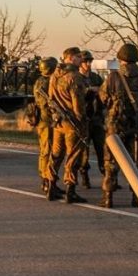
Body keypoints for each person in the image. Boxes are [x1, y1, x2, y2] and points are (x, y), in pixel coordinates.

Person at [98, 43, 138, 208]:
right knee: (137, 161)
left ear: (121, 58)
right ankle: (137, 197)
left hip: (115, 124)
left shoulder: (113, 77)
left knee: (111, 160)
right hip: (135, 123)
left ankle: (108, 197)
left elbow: (103, 97)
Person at [47, 47, 89, 204]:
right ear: (70, 58)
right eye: (78, 57)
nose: (81, 60)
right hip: (72, 123)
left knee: (56, 154)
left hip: (58, 122)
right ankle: (70, 189)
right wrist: (82, 120)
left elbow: (50, 98)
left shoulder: (54, 75)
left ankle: (51, 185)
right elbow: (78, 105)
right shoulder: (74, 77)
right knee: (73, 156)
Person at [33, 57, 62, 197]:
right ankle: (46, 180)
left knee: (47, 151)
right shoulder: (44, 83)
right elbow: (47, 103)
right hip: (47, 121)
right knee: (47, 151)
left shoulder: (41, 81)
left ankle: (48, 180)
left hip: (46, 121)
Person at [78, 49, 105, 189]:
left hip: (97, 119)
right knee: (84, 151)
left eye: (90, 61)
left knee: (102, 149)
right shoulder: (76, 78)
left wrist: (99, 91)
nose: (88, 64)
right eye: (85, 62)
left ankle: (107, 177)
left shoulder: (96, 78)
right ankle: (84, 176)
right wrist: (87, 91)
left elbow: (105, 92)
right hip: (84, 119)